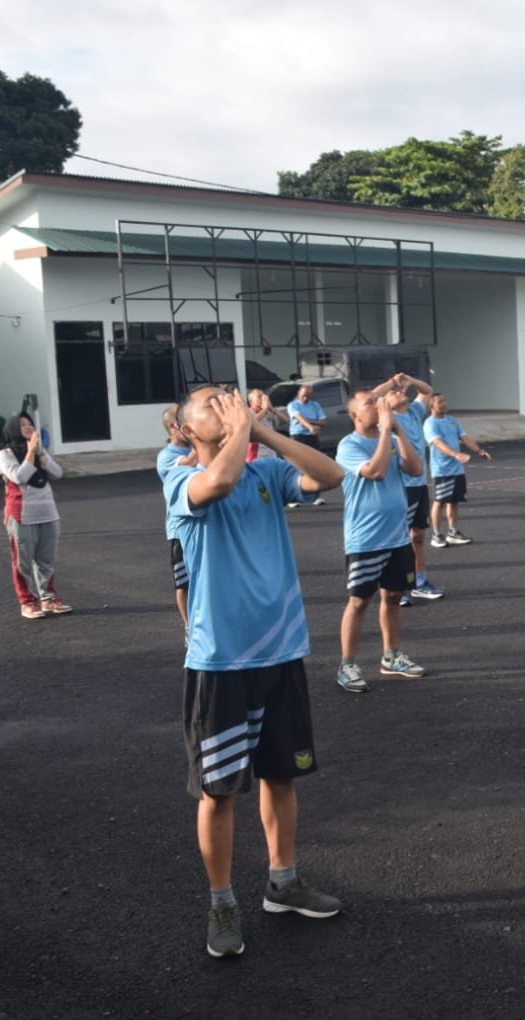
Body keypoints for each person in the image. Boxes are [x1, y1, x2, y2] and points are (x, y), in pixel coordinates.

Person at [164, 386, 346, 959]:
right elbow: (216, 483)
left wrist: (264, 431)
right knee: (218, 792)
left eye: (229, 398)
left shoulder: (266, 472)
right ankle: (222, 901)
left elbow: (331, 475)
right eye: (211, 403)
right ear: (187, 429)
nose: (225, 404)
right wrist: (243, 429)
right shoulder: (176, 473)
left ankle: (282, 882)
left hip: (281, 650)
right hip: (221, 660)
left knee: (282, 777)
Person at [335, 389, 425, 694]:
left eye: (377, 401)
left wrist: (398, 430)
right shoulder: (349, 445)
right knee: (360, 600)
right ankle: (347, 664)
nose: (377, 406)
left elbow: (416, 469)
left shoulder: (392, 439)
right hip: (366, 539)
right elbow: (375, 471)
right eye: (369, 403)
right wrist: (387, 430)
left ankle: (391, 656)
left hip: (397, 536)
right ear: (355, 415)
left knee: (393, 596)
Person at [378, 373, 442, 604]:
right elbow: (371, 398)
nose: (399, 392)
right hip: (401, 486)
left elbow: (427, 390)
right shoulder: (386, 418)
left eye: (399, 390)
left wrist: (410, 381)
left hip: (419, 484)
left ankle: (419, 582)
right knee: (398, 539)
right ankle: (397, 586)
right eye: (393, 393)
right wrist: (391, 383)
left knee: (418, 536)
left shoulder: (414, 411)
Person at [0, 412, 69, 619]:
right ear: (13, 429)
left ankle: (48, 598)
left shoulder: (39, 451)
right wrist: (30, 453)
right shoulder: (5, 455)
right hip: (22, 515)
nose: (28, 427)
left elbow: (57, 473)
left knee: (46, 560)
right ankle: (27, 601)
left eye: (30, 423)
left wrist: (40, 454)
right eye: (23, 424)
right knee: (23, 561)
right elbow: (19, 476)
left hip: (48, 512)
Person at [423, 392, 490, 547]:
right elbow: (438, 443)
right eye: (440, 402)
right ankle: (436, 535)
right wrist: (456, 455)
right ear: (432, 406)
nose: (444, 404)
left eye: (445, 401)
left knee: (454, 502)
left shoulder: (452, 420)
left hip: (457, 470)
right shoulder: (430, 423)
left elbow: (465, 438)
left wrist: (479, 451)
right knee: (439, 501)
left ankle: (452, 533)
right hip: (442, 470)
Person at [158, 404, 192, 626]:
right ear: (174, 425)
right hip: (179, 531)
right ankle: (190, 628)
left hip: (203, 527)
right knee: (183, 584)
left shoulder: (194, 448)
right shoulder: (166, 456)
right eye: (186, 419)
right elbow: (190, 463)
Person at [283, 384, 328, 507]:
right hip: (298, 436)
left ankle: (315, 496)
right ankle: (293, 497)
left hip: (312, 438)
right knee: (296, 466)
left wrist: (311, 423)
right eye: (303, 396)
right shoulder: (293, 405)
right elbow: (300, 418)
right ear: (299, 393)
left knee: (315, 466)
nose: (305, 398)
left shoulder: (315, 405)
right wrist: (311, 426)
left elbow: (323, 422)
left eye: (308, 396)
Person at [247, 390, 280, 461]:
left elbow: (285, 421)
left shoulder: (268, 412)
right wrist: (265, 409)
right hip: (257, 454)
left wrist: (272, 409)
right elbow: (252, 422)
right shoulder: (248, 412)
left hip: (271, 451)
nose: (263, 399)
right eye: (259, 397)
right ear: (251, 401)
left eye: (263, 396)